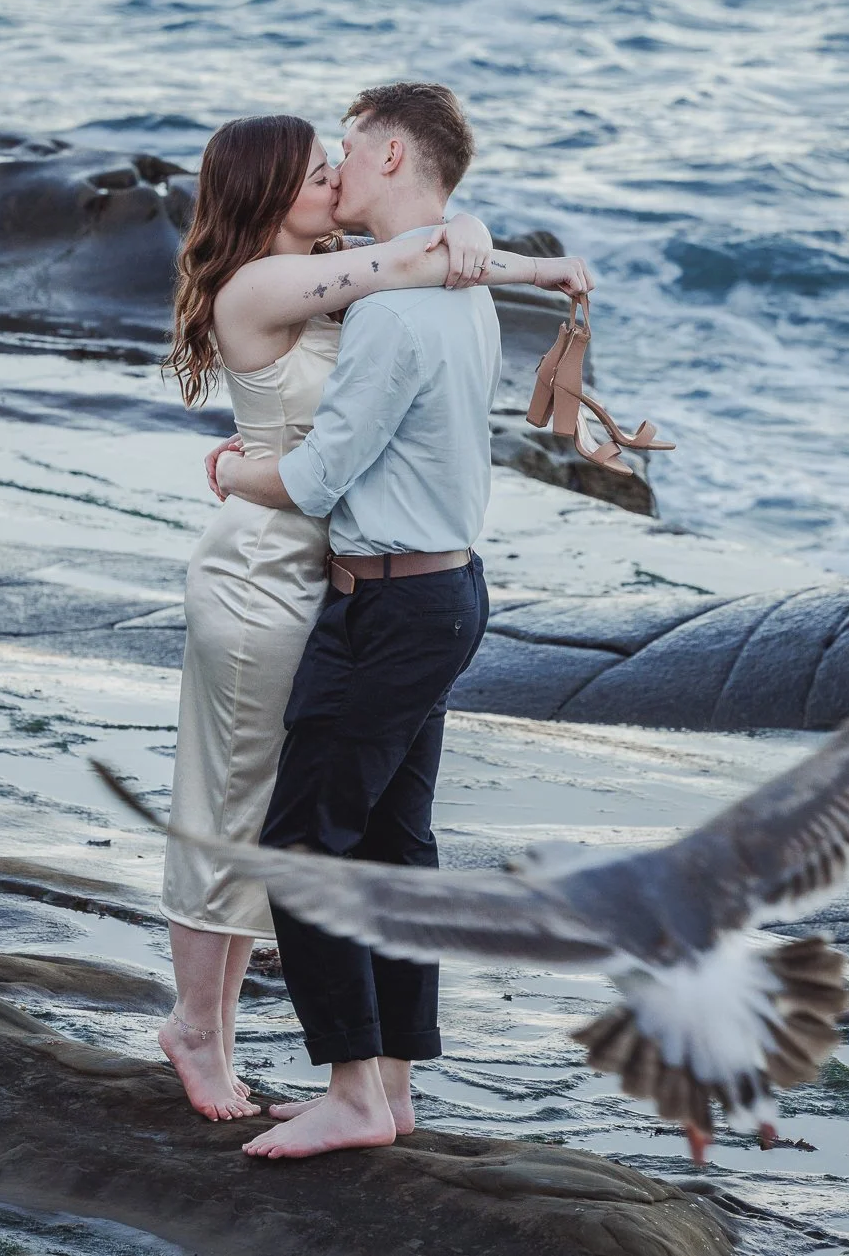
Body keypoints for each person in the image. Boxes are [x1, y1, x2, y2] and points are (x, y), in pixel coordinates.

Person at [157, 105, 591, 1123]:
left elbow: (418, 262)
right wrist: (471, 241)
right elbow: (403, 269)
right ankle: (197, 1024)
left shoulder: (345, 265)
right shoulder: (265, 283)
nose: (333, 181)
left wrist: (513, 257)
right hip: (263, 574)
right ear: (269, 193)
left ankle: (272, 1048)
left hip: (333, 573)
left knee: (291, 810)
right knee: (235, 806)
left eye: (336, 162)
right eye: (315, 172)